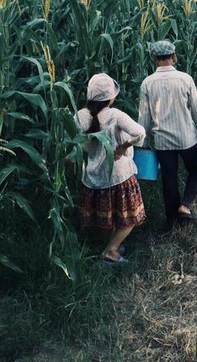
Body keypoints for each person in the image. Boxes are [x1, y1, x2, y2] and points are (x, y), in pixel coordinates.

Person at [138, 40, 197, 230]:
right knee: (196, 170)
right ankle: (185, 206)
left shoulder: (147, 83)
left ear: (155, 59)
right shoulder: (185, 79)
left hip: (163, 141)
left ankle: (171, 220)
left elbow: (144, 116)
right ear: (174, 57)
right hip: (187, 137)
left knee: (169, 180)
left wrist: (144, 142)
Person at [75, 73, 146, 264]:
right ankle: (111, 250)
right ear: (109, 97)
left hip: (93, 175)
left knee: (105, 216)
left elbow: (78, 144)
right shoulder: (115, 115)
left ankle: (110, 245)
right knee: (129, 218)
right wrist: (123, 147)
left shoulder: (80, 116)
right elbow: (140, 133)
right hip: (118, 175)